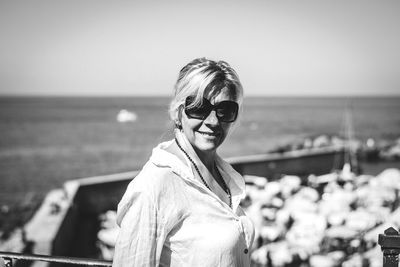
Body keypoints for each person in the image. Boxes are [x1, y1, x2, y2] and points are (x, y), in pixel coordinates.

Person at [112, 58, 254, 266]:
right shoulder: (154, 185)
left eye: (225, 110)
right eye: (199, 107)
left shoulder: (225, 175)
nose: (213, 121)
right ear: (179, 111)